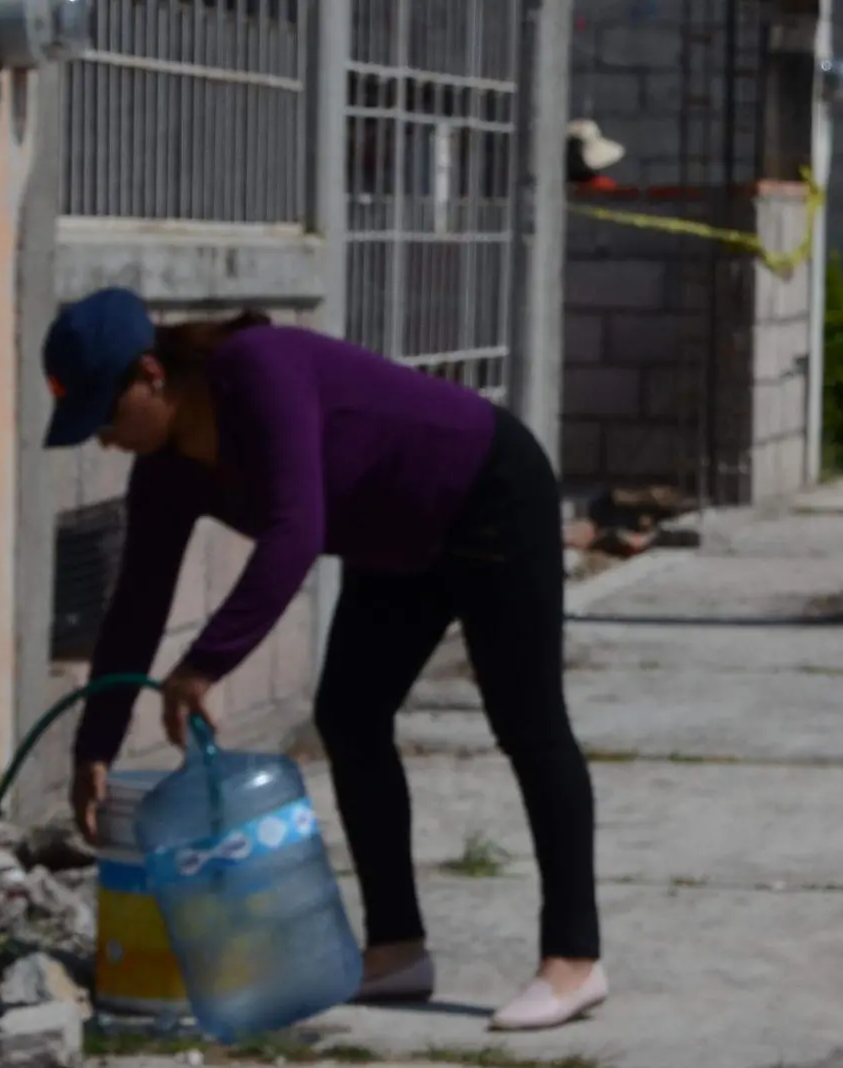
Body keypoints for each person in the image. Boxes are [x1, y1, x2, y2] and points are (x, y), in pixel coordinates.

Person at [42, 288, 607, 1032]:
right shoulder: (166, 473)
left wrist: (204, 665)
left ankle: (575, 961)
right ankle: (398, 948)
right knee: (349, 714)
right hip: (396, 539)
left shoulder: (257, 370)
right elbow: (138, 602)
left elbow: (294, 533)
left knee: (529, 724)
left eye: (106, 418)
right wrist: (96, 745)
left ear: (151, 374)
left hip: (486, 492)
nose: (106, 442)